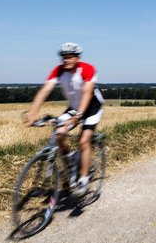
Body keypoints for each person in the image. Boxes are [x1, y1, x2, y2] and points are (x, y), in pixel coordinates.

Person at [26, 42, 104, 197]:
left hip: (91, 108)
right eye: (63, 57)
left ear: (77, 58)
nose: (66, 60)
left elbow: (88, 92)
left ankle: (83, 179)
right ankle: (70, 164)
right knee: (59, 133)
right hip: (74, 107)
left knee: (84, 140)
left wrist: (78, 116)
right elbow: (45, 90)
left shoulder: (87, 68)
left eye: (70, 57)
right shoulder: (58, 71)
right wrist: (33, 113)